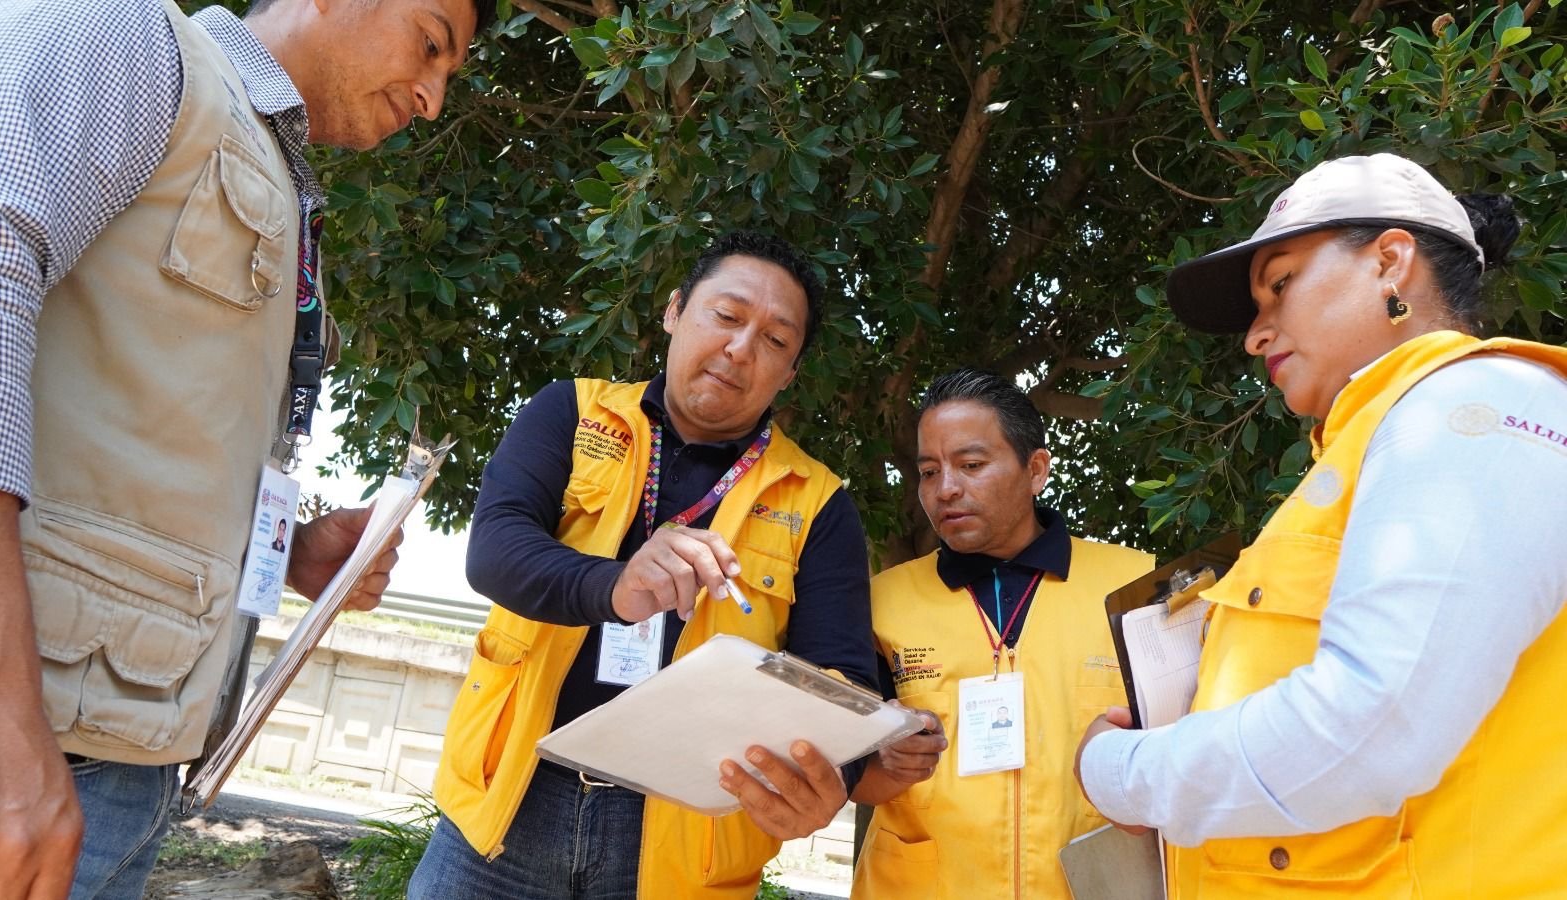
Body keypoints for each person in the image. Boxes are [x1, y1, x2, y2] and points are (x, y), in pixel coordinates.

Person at [0, 0, 490, 896]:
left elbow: (133, 444)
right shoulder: (126, 36)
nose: (433, 97)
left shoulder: (271, 172)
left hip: (117, 769)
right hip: (17, 747)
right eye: (431, 42)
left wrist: (287, 554)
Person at [1074, 153, 1567, 898]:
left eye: (1280, 286)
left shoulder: (1475, 408)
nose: (1254, 334)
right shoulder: (1374, 445)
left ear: (1390, 263)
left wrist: (1119, 772)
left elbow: (1373, 727)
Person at [412, 231, 879, 899]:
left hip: (683, 841)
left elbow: (844, 682)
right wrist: (615, 586)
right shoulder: (571, 413)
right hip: (508, 808)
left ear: (791, 371)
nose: (742, 349)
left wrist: (830, 777)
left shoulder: (820, 503)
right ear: (674, 309)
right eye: (726, 316)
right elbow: (496, 549)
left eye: (776, 341)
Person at [850, 368, 1155, 899]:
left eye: (971, 465)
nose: (945, 489)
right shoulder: (881, 603)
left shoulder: (1135, 588)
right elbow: (855, 779)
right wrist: (888, 763)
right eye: (928, 471)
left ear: (1035, 469)